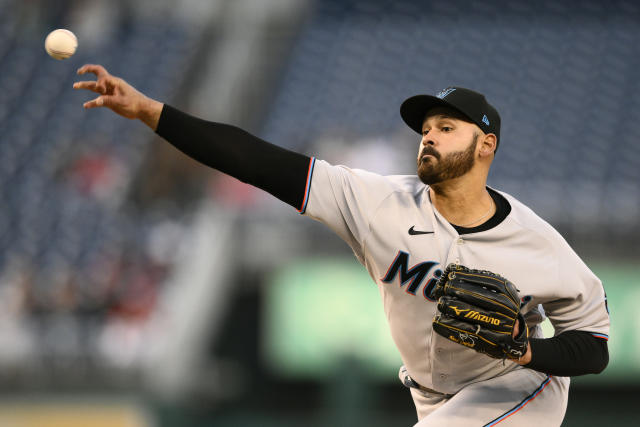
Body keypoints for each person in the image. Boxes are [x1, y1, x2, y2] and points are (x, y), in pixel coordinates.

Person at [74, 65, 610, 426]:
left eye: (447, 128)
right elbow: (258, 162)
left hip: (517, 385)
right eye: (426, 127)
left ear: (485, 146)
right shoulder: (378, 201)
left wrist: (527, 351)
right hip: (431, 394)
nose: (429, 136)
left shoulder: (536, 242)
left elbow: (594, 347)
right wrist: (149, 111)